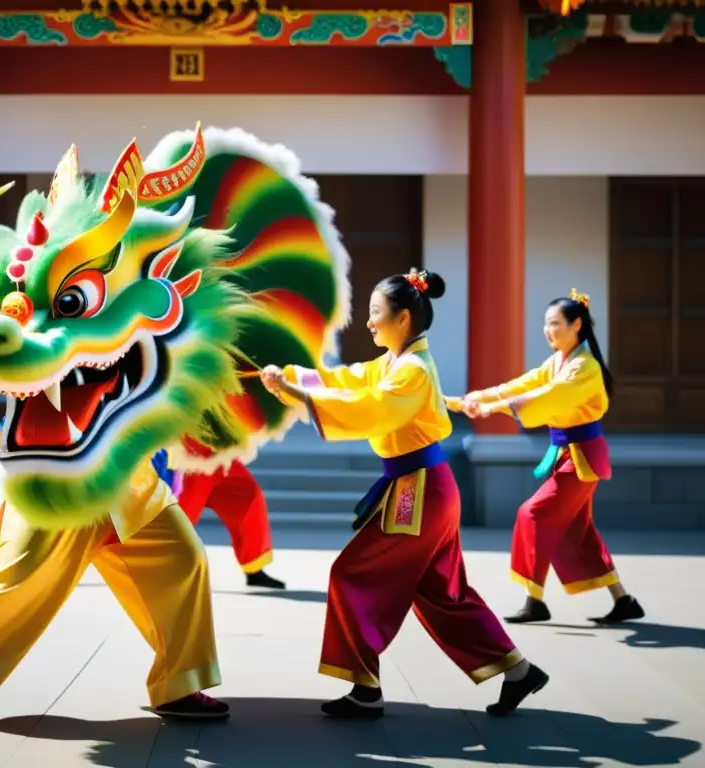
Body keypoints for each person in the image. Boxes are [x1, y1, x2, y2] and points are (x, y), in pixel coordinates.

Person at [260, 269, 548, 719]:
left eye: (377, 313)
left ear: (404, 318)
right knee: (441, 593)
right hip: (424, 486)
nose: (370, 323)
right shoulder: (395, 362)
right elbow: (349, 381)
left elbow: (369, 408)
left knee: (353, 575)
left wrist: (294, 390)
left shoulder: (411, 371)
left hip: (420, 490)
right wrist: (293, 377)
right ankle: (518, 671)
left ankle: (364, 688)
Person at [454, 289, 644, 626]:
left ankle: (534, 600)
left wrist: (490, 407)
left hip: (581, 458)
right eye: (546, 324)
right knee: (577, 533)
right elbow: (524, 384)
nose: (547, 330)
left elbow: (548, 395)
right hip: (568, 456)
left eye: (554, 323)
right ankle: (624, 600)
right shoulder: (560, 361)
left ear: (576, 325)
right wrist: (479, 396)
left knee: (533, 514)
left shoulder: (584, 367)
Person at [152, 443, 285, 590]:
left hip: (218, 453)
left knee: (248, 497)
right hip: (190, 455)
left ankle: (254, 570)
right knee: (181, 516)